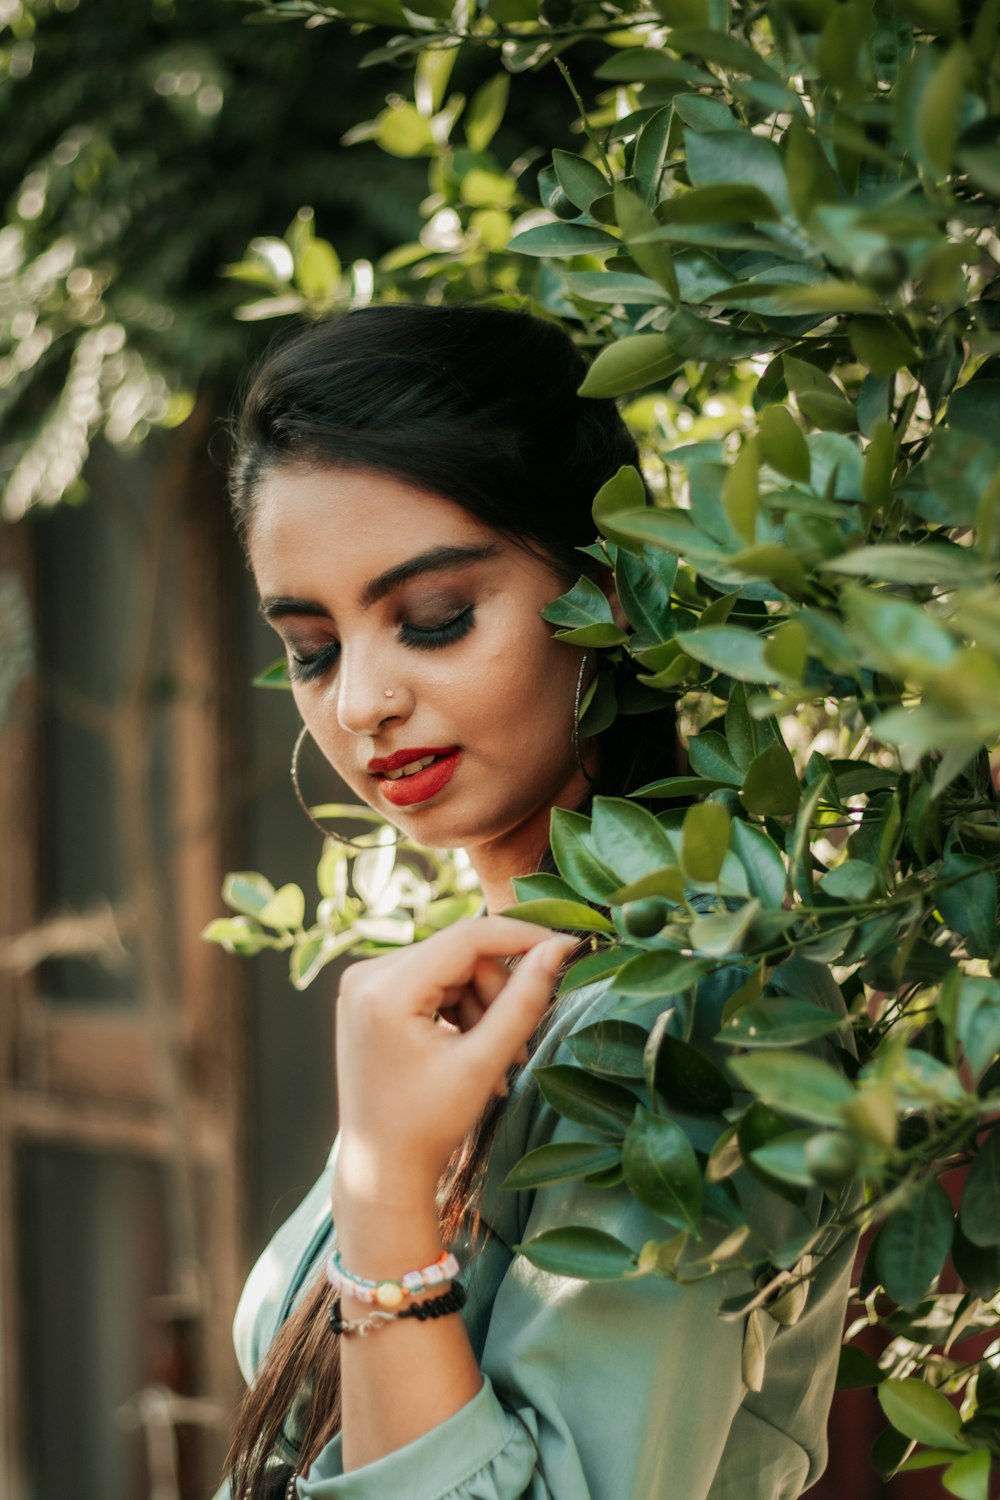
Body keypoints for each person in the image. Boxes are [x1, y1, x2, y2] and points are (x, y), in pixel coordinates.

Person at [217, 303, 855, 1500]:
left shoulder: (695, 1009)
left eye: (435, 620)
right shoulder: (476, 991)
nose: (359, 704)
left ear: (607, 590)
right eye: (311, 646)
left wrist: (386, 1197)